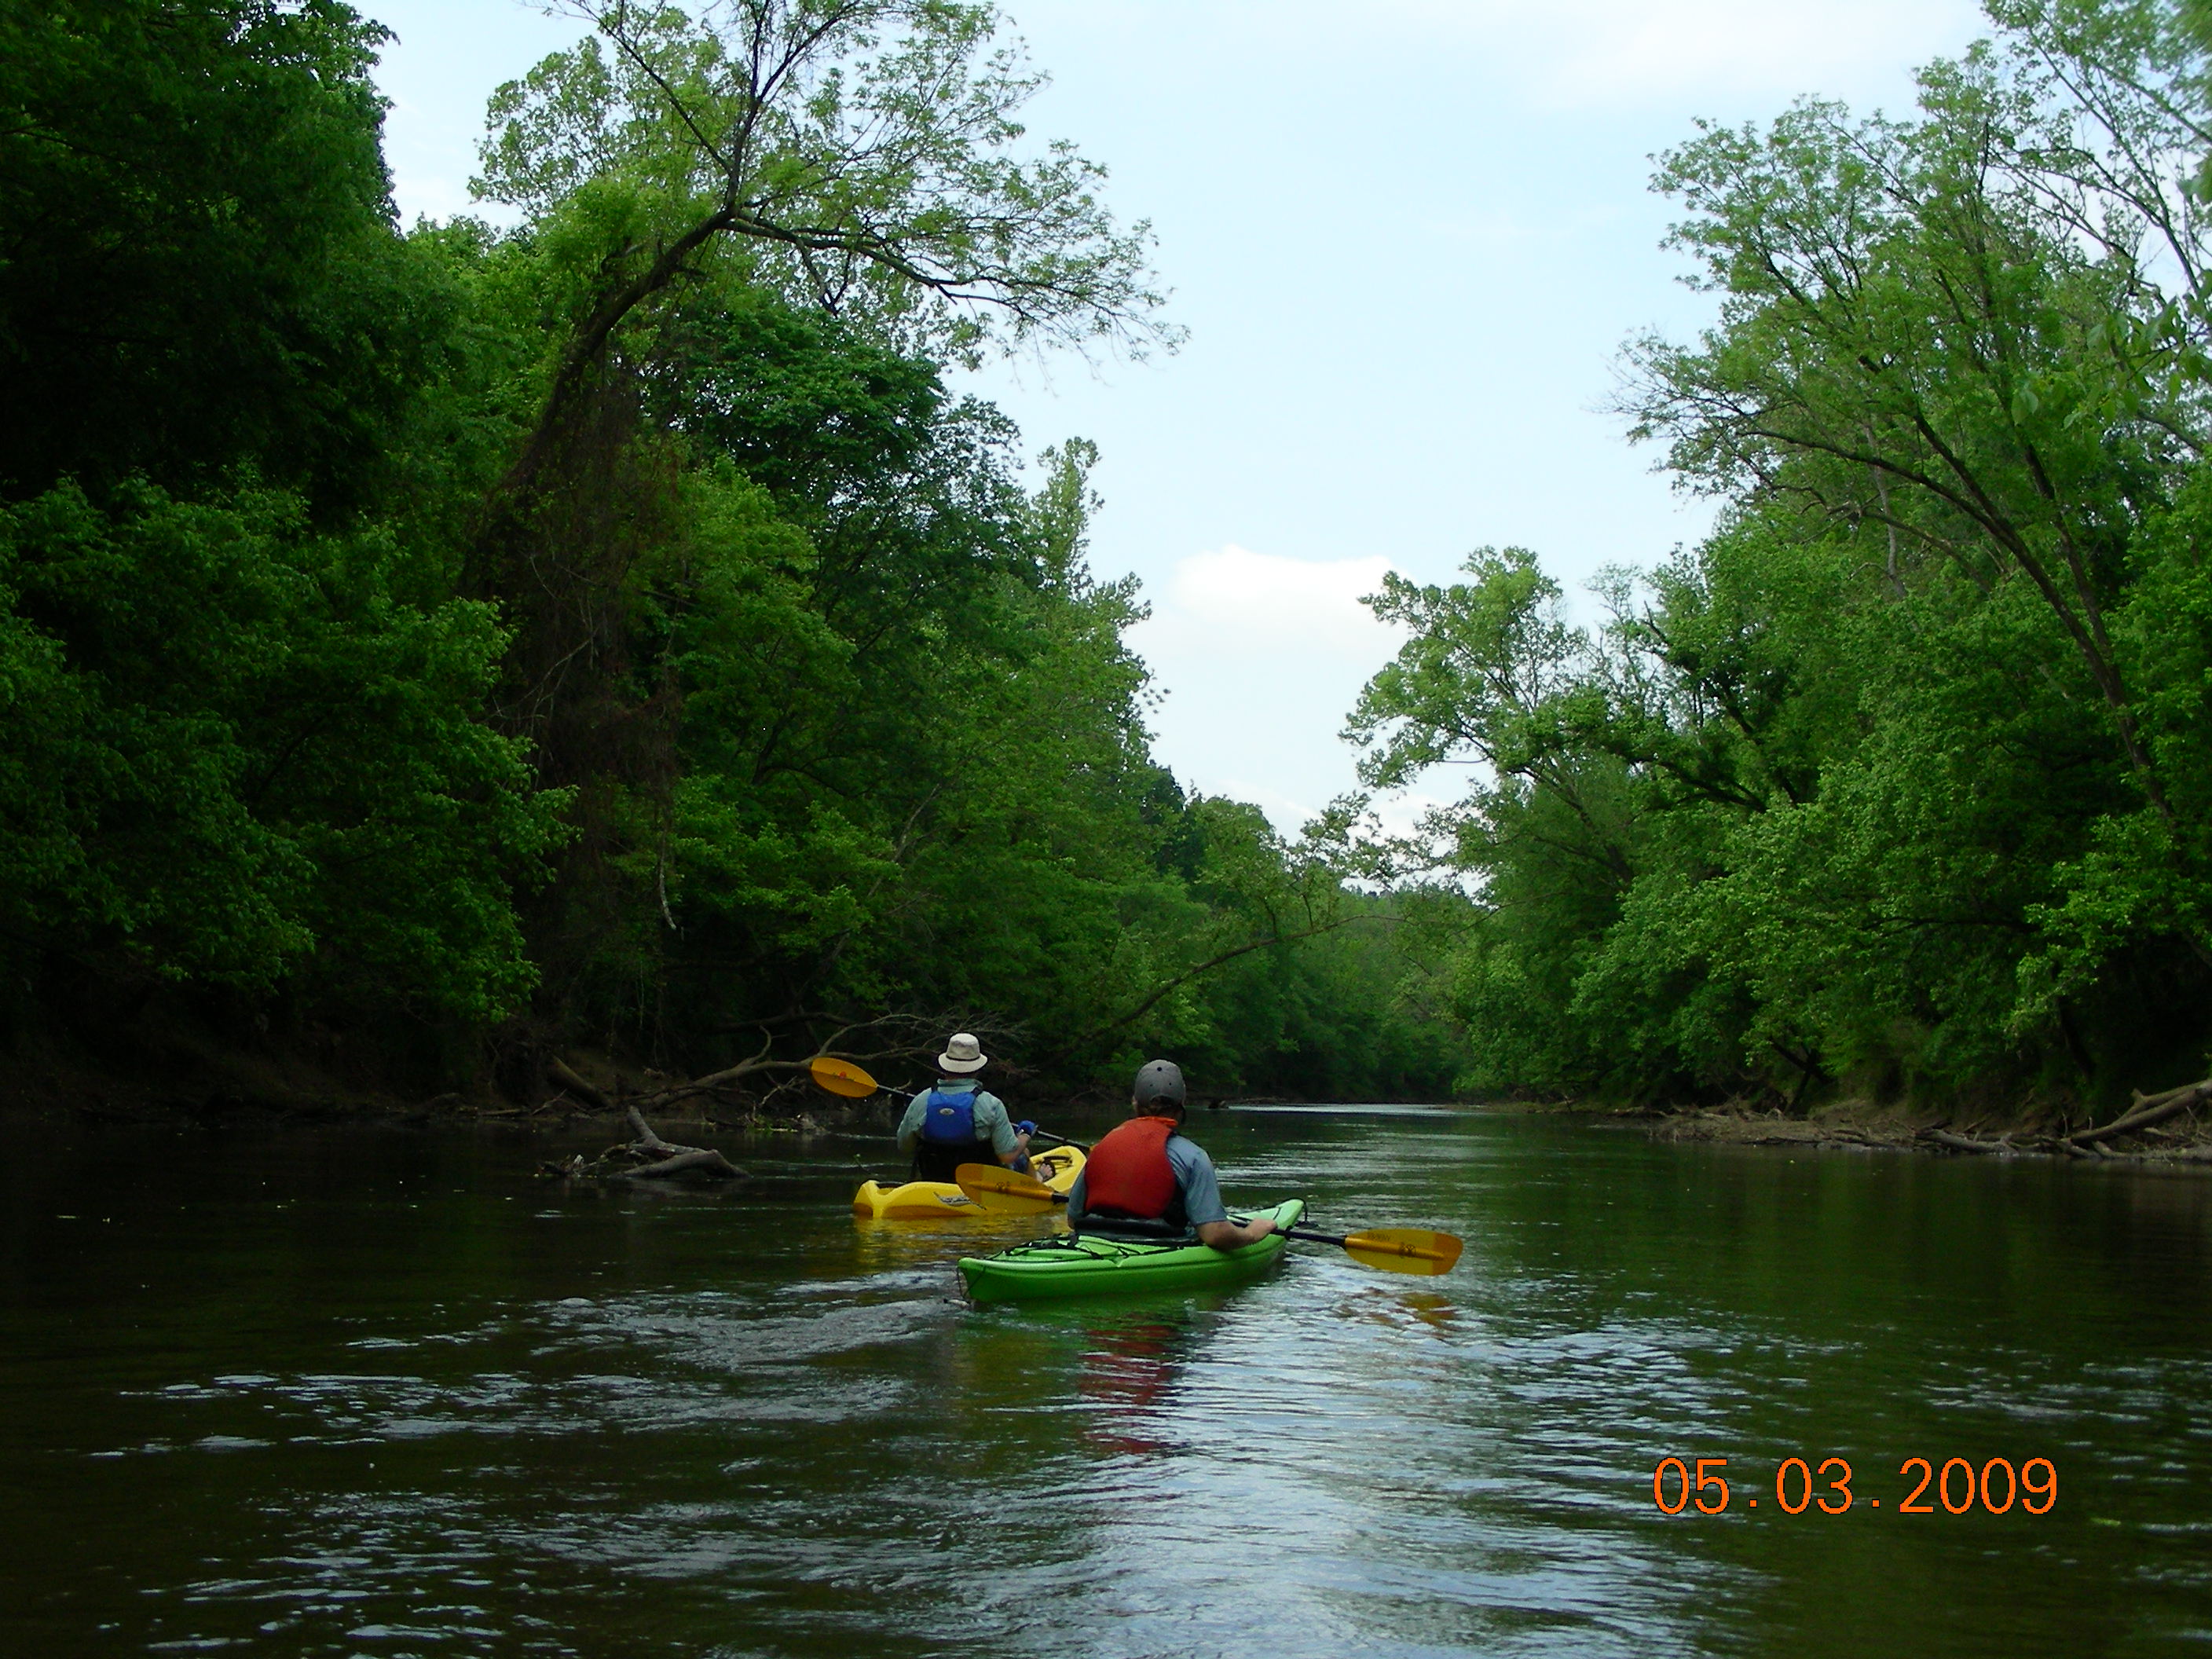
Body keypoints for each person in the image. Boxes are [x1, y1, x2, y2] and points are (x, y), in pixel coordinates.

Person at [1064, 1059, 1276, 1249]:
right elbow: (1215, 1235)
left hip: (1091, 1243)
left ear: (1135, 1102)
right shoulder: (1193, 1156)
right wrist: (1251, 1233)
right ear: (1181, 1105)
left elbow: (1073, 1220)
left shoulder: (1102, 1148)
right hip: (1159, 1245)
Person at [896, 1032, 1034, 1182]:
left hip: (935, 1186)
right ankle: (1041, 1179)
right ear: (977, 1069)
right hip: (980, 1190)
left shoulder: (921, 1101)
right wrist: (1025, 1134)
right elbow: (1008, 1156)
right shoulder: (991, 1104)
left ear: (945, 1066)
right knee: (1022, 1153)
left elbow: (904, 1146)